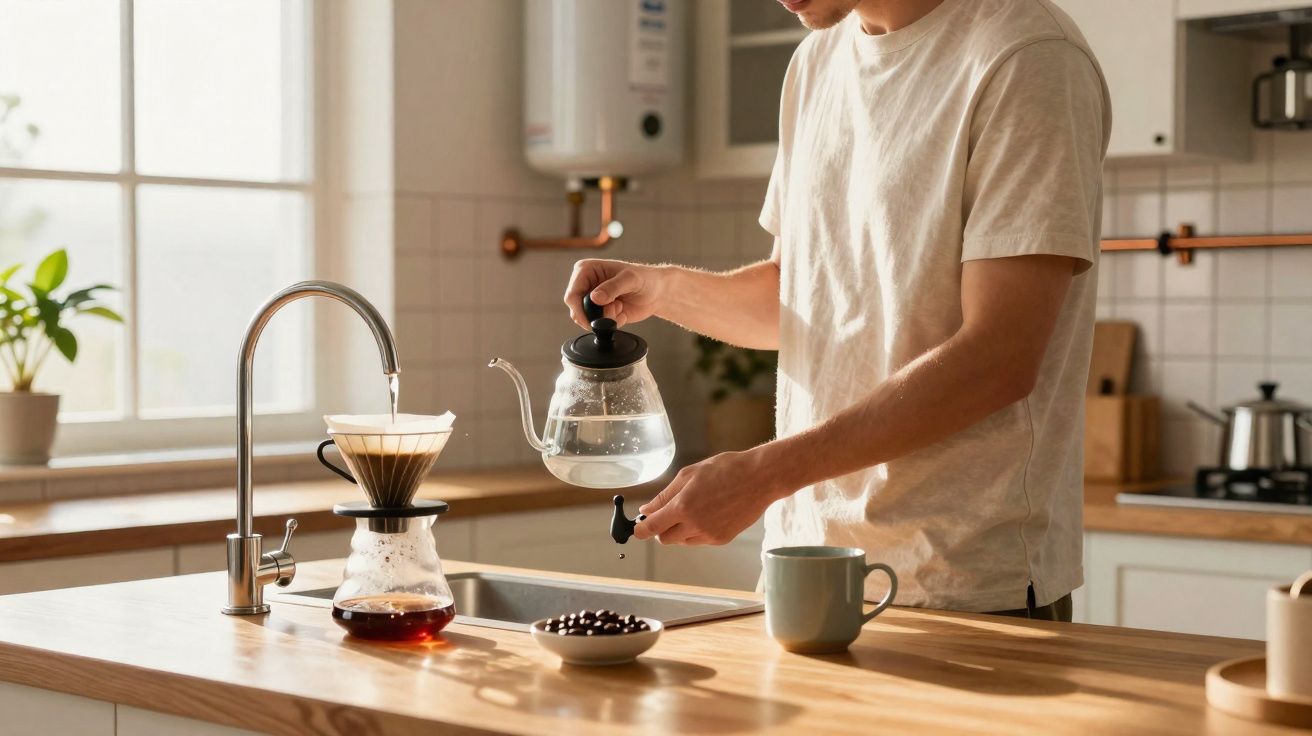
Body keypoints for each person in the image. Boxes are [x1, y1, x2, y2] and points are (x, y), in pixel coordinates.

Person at [563, 0, 1110, 621]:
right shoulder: (816, 62)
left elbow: (1000, 356)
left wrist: (765, 475)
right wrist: (660, 288)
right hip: (805, 567)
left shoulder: (1026, 57)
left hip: (966, 582)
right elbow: (795, 300)